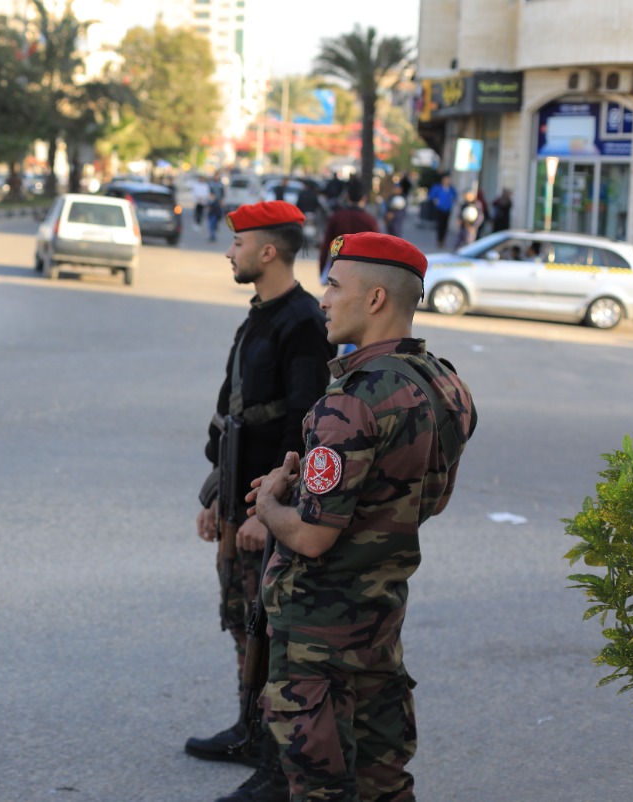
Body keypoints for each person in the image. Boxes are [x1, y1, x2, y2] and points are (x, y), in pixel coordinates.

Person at [248, 232, 477, 802]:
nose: (322, 298)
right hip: (379, 620)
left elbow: (312, 536)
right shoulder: (443, 383)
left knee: (322, 787)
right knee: (385, 784)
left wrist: (272, 501)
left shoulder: (350, 400)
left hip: (318, 636)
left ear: (376, 299)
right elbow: (421, 495)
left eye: (333, 285)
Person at [190, 200, 334, 802]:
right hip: (236, 501)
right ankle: (251, 732)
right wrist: (216, 493)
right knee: (239, 622)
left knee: (268, 631)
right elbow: (234, 414)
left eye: (239, 243)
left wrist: (259, 512)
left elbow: (301, 425)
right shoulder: (258, 315)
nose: (229, 251)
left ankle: (276, 766)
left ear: (267, 251)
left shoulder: (301, 321)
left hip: (265, 511)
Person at [319, 179, 379, 282]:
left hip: (338, 269)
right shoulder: (369, 220)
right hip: (362, 273)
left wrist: (322, 270)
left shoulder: (337, 217)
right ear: (364, 199)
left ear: (346, 197)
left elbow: (326, 246)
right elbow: (377, 249)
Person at [427, 174, 458, 250]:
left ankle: (443, 240)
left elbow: (455, 196)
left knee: (445, 225)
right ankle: (439, 240)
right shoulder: (438, 187)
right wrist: (436, 201)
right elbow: (431, 196)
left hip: (447, 209)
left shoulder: (451, 189)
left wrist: (452, 201)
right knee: (440, 224)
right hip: (440, 208)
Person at [207, 173, 227, 243]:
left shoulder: (220, 185)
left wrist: (221, 201)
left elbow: (223, 193)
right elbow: (208, 193)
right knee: (211, 220)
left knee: (217, 218)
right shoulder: (210, 184)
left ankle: (215, 228)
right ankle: (212, 235)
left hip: (218, 204)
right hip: (212, 204)